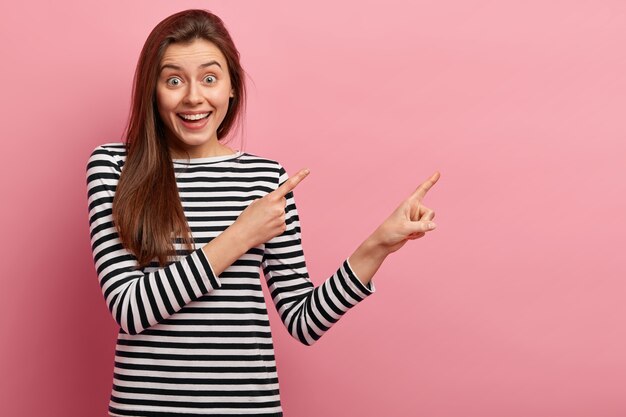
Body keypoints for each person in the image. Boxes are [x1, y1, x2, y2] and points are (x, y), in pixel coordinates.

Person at [86, 9, 440, 417]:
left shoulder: (264, 178)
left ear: (232, 87)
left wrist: (378, 245)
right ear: (153, 90)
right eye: (174, 80)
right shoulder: (114, 167)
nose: (193, 97)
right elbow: (131, 309)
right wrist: (239, 235)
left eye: (210, 78)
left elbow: (304, 320)